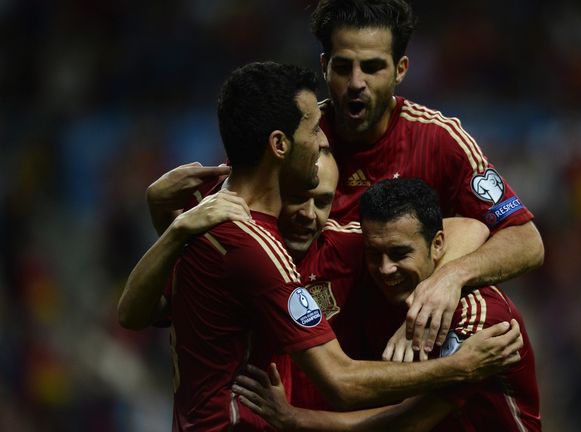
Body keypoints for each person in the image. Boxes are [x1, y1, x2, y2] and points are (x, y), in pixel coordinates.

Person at [119, 60, 523, 431]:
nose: (319, 141)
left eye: (324, 202)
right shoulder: (255, 246)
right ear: (280, 145)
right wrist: (460, 367)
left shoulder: (209, 216)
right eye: (313, 129)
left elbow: (136, 314)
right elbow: (342, 380)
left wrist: (169, 225)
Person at [310, 0, 545, 353]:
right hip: (320, 362)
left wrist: (450, 277)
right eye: (344, 67)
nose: (356, 82)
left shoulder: (439, 140)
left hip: (413, 362)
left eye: (373, 68)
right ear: (325, 67)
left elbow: (526, 240)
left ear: (400, 69)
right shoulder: (299, 141)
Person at [232, 178, 541, 431]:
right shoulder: (379, 291)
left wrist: (294, 419)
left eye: (399, 254)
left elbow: (409, 422)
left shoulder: (479, 320)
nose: (384, 268)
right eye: (373, 253)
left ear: (437, 245)